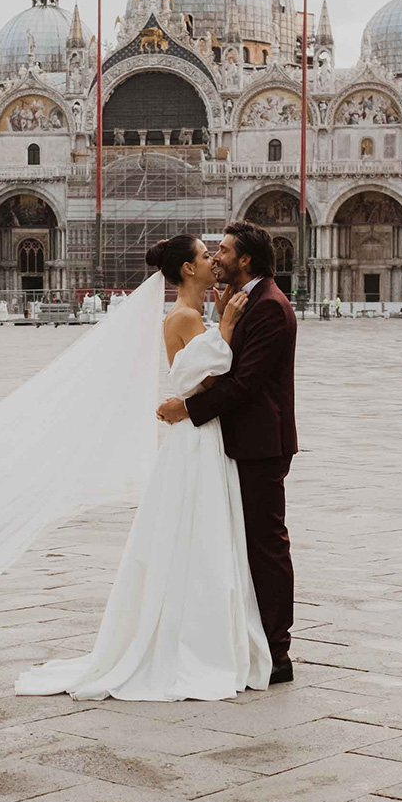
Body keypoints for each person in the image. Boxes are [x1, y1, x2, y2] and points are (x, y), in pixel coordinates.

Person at [16, 234, 272, 700]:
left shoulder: (192, 315)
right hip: (197, 438)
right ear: (189, 270)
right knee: (203, 533)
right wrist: (228, 327)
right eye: (203, 254)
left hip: (199, 434)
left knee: (203, 531)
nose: (213, 258)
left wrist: (220, 323)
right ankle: (198, 640)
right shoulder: (183, 316)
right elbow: (211, 375)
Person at [157, 222, 298, 686]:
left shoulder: (270, 308)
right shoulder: (241, 303)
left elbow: (244, 383)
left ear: (247, 261)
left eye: (224, 250)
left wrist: (187, 409)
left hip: (260, 444)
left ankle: (277, 652)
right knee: (241, 544)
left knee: (265, 545)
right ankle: (245, 638)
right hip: (236, 441)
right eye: (210, 251)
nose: (216, 257)